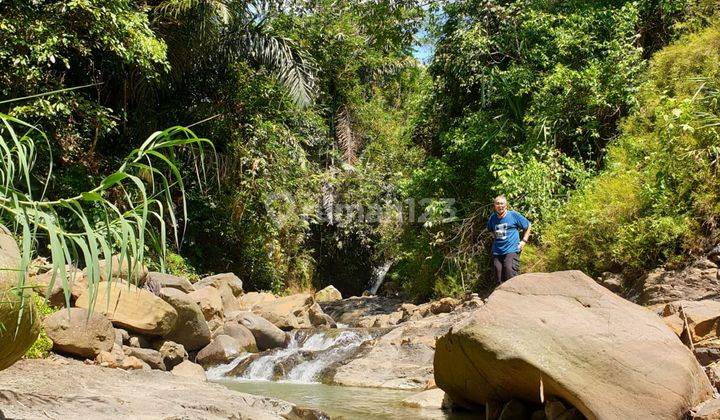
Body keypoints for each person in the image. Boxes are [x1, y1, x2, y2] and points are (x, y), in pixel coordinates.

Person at [487, 195, 531, 284]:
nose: (500, 206)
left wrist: (524, 241)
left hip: (512, 249)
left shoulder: (513, 215)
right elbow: (490, 230)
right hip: (497, 251)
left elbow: (528, 225)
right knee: (498, 275)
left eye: (502, 203)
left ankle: (514, 296)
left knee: (509, 271)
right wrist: (496, 238)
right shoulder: (493, 218)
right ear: (494, 206)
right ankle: (500, 296)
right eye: (497, 204)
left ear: (506, 205)